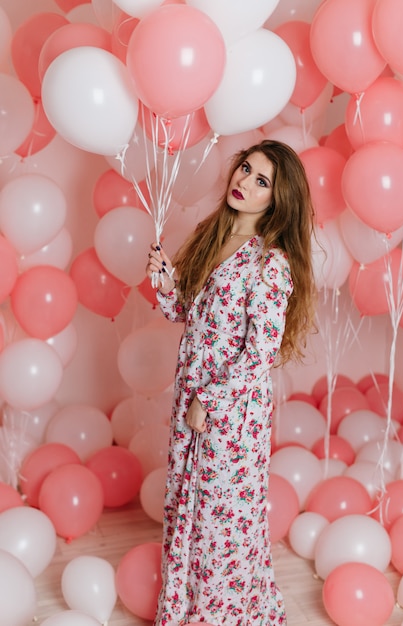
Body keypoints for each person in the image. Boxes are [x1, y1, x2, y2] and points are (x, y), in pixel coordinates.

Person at [146, 139, 316, 626]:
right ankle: (185, 611)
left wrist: (212, 401)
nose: (244, 182)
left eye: (262, 181)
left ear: (277, 199)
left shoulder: (272, 262)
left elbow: (260, 351)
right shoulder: (213, 233)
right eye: (246, 169)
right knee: (189, 505)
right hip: (192, 398)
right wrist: (165, 286)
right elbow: (191, 314)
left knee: (222, 521)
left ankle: (221, 617)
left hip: (230, 409)